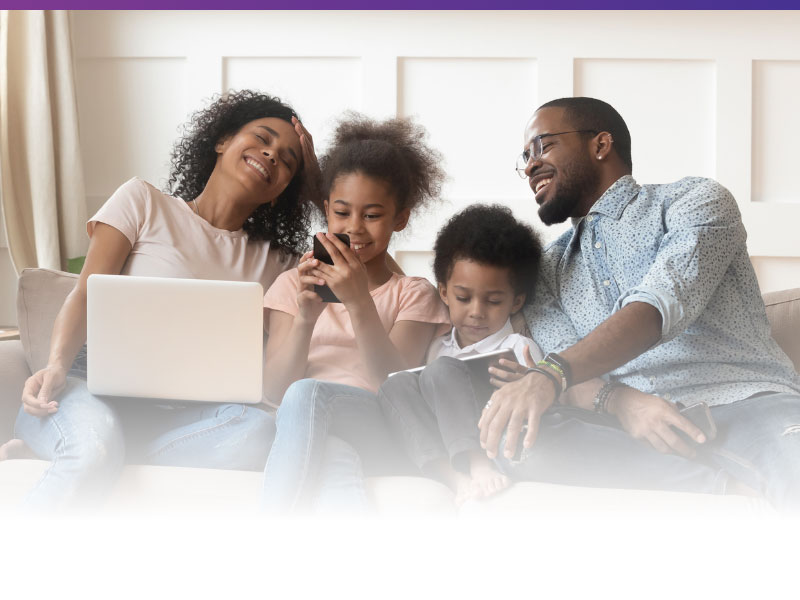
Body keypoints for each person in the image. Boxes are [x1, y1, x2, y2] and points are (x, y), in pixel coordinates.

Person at [4, 90, 321, 510]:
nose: (271, 155)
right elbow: (85, 292)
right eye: (262, 138)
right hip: (89, 389)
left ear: (283, 190)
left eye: (288, 160)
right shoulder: (143, 201)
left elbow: (355, 235)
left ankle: (82, 451)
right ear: (222, 140)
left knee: (261, 432)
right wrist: (57, 365)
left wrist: (315, 178)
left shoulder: (277, 262)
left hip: (186, 416)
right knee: (94, 441)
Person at [479, 96, 800, 510]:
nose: (529, 166)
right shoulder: (544, 270)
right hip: (629, 431)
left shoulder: (695, 201)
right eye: (524, 156)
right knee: (516, 444)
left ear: (600, 144)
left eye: (542, 146)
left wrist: (548, 375)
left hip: (746, 405)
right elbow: (567, 365)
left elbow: (658, 306)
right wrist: (622, 403)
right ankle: (723, 487)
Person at [260, 114, 450, 513]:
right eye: (342, 213)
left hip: (381, 422)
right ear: (326, 209)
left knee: (308, 394)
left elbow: (395, 386)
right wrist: (305, 319)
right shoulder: (291, 286)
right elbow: (274, 390)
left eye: (373, 215)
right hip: (305, 425)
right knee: (331, 457)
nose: (355, 228)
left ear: (400, 218)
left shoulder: (414, 294)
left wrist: (359, 302)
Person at [378, 204, 543, 503]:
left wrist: (528, 381)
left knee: (442, 369)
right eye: (463, 298)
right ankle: (453, 476)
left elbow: (540, 395)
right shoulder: (436, 344)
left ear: (516, 302)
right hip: (438, 437)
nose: (476, 312)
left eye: (493, 301)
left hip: (489, 430)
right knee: (395, 383)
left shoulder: (521, 348)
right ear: (443, 293)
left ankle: (478, 463)